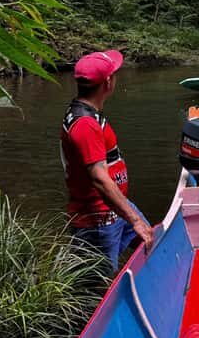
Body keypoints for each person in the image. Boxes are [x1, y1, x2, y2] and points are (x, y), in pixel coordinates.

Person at [61, 50, 153, 271]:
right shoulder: (85, 125)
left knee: (152, 244)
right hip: (97, 220)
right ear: (108, 82)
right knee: (96, 292)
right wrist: (135, 220)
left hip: (115, 207)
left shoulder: (91, 114)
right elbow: (100, 180)